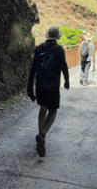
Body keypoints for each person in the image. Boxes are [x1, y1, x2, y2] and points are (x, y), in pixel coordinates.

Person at [27, 26, 70, 157]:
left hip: (40, 83)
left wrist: (29, 87)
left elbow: (33, 68)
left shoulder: (39, 48)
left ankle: (41, 137)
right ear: (58, 37)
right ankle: (42, 134)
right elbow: (64, 66)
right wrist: (67, 80)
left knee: (43, 108)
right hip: (53, 85)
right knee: (53, 110)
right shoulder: (59, 50)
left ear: (47, 35)